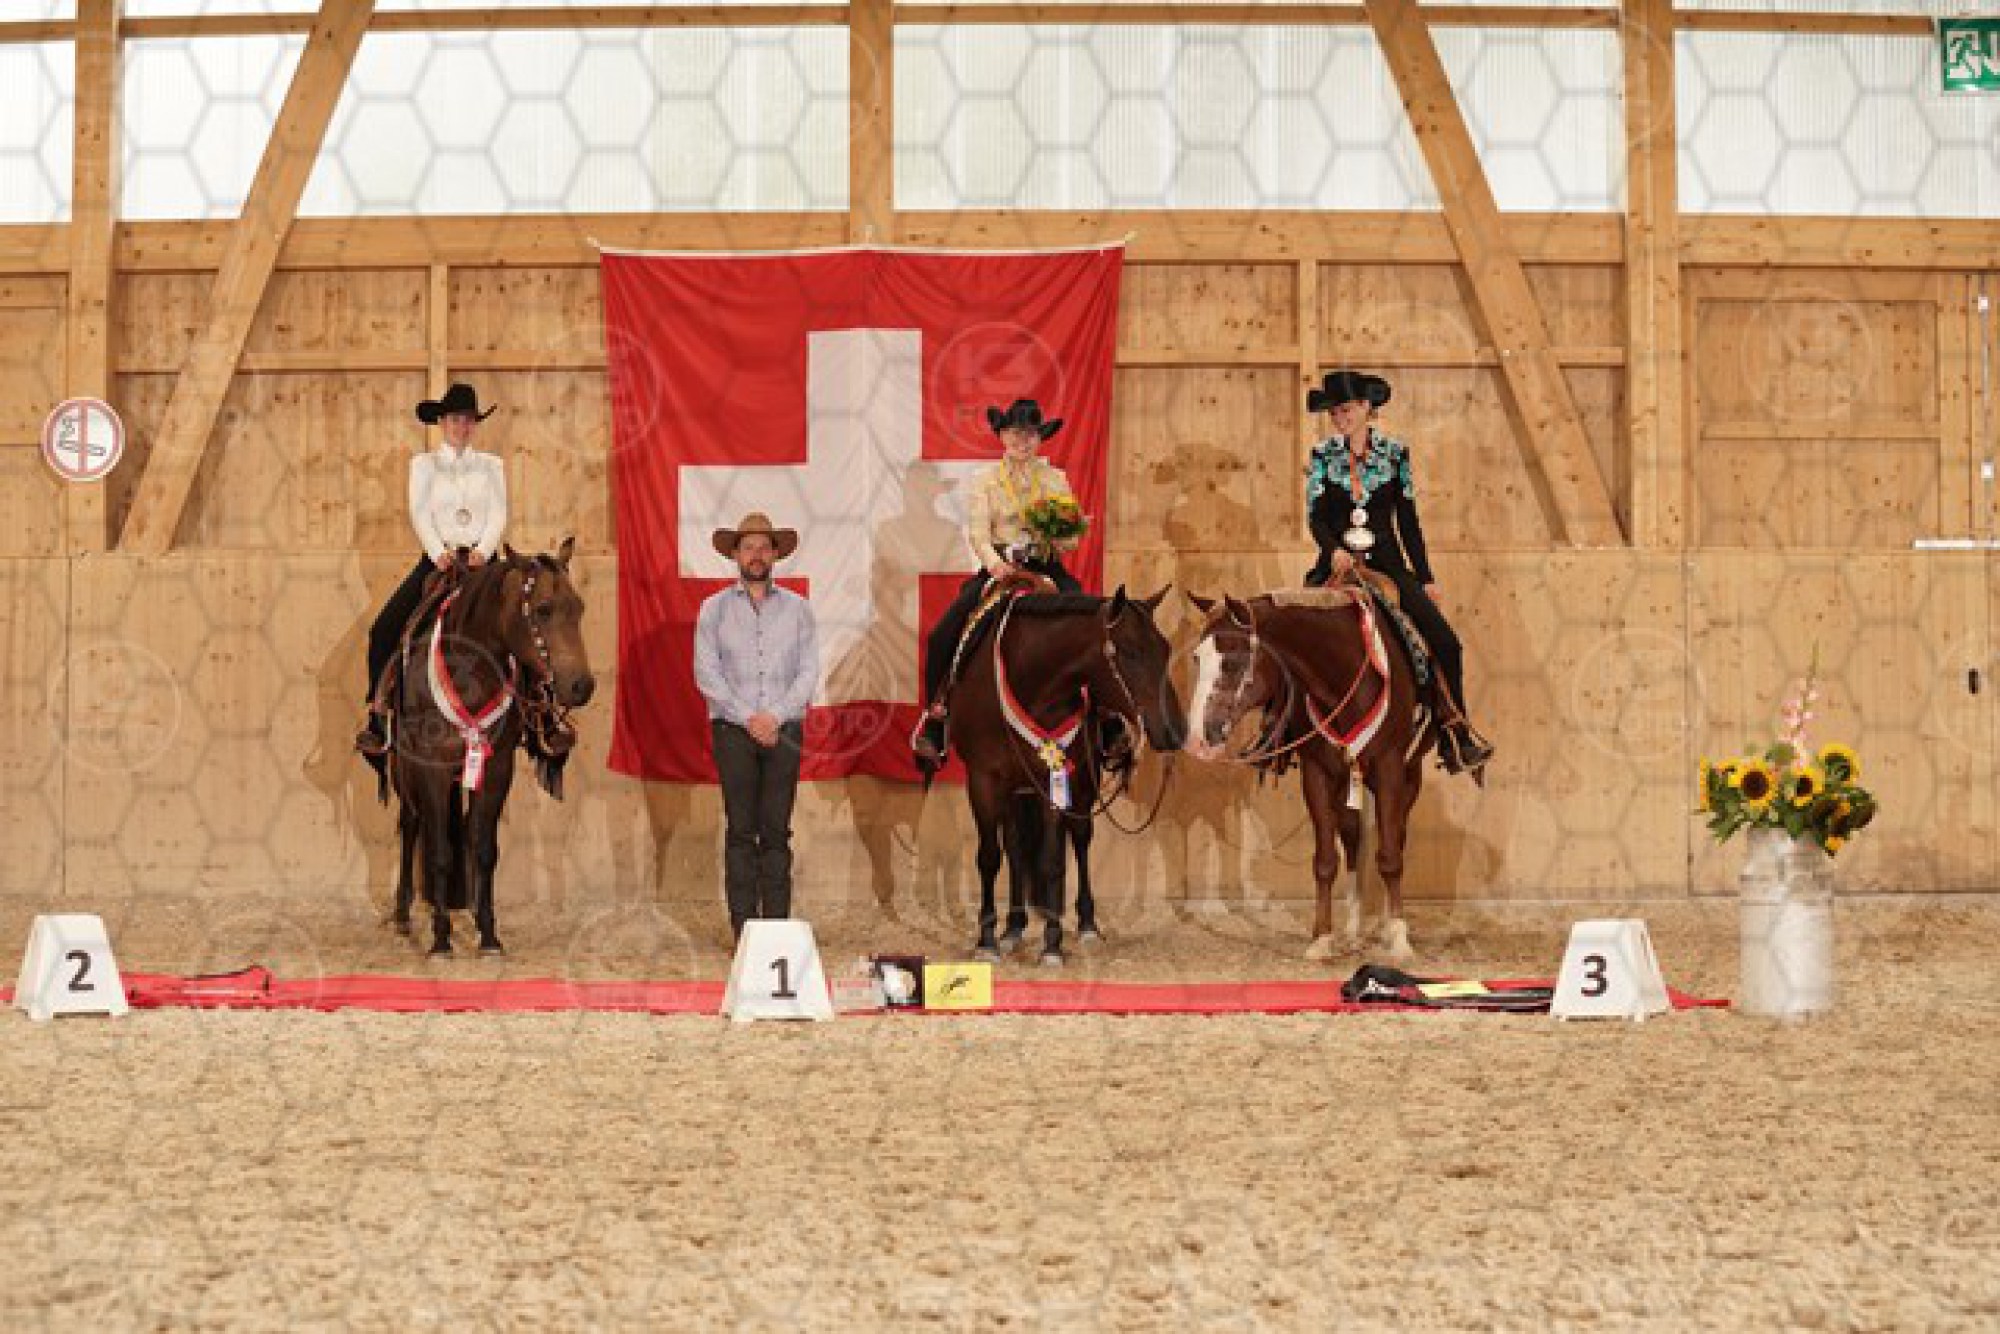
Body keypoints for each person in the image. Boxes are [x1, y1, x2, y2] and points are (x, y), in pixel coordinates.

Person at [1303, 369, 1494, 776]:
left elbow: (1408, 521)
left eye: (1347, 410)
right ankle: (1279, 735)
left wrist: (1425, 577)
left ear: (1366, 408)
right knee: (1296, 633)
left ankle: (1455, 733)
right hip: (1336, 563)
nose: (1340, 418)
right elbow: (1316, 518)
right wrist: (1333, 550)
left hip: (1388, 564)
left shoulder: (1395, 455)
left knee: (1446, 643)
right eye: (1335, 412)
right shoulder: (1321, 456)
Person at [912, 398, 1084, 766]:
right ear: (1002, 435)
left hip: (1045, 564)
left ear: (1040, 438)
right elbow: (978, 532)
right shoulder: (984, 480)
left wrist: (1060, 535)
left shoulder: (1056, 479)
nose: (1023, 440)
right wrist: (994, 564)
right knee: (943, 633)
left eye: (1030, 434)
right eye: (1015, 433)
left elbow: (1071, 540)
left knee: (1089, 616)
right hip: (1000, 566)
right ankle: (936, 716)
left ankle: (1105, 717)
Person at [357, 382, 508, 760]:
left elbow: (499, 512)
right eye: (456, 419)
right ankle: (378, 716)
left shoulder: (492, 466)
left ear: (475, 424)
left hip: (481, 563)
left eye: (469, 420)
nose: (462, 427)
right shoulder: (423, 465)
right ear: (442, 422)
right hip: (439, 560)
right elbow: (419, 512)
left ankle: (543, 719)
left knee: (522, 623)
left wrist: (483, 551)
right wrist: (438, 552)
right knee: (383, 629)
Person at [694, 512, 820, 942]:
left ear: (775, 554)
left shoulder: (799, 610)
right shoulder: (713, 610)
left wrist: (775, 716)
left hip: (784, 731)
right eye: (748, 547)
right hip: (733, 731)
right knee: (741, 831)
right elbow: (707, 674)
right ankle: (745, 930)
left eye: (764, 547)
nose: (756, 555)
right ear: (735, 554)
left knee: (777, 832)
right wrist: (750, 717)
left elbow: (808, 672)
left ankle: (777, 931)